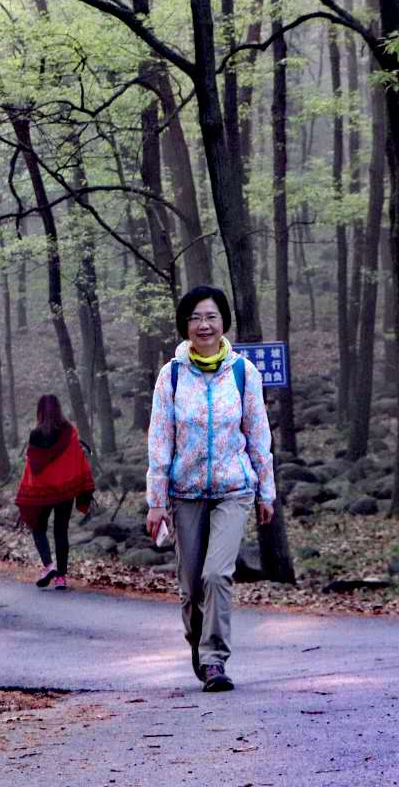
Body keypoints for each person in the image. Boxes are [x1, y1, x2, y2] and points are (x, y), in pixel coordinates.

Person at [146, 285, 275, 692]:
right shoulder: (171, 376)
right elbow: (160, 441)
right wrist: (156, 501)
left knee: (216, 575)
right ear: (185, 326)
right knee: (190, 588)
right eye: (196, 318)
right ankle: (199, 649)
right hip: (184, 494)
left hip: (233, 489)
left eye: (212, 317)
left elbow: (258, 434)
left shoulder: (242, 373)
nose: (204, 325)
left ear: (223, 323)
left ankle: (215, 659)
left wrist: (266, 491)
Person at [14, 395, 95, 590]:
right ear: (59, 409)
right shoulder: (69, 431)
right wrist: (81, 485)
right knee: (61, 531)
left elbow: (32, 468)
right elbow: (77, 460)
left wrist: (26, 492)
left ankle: (49, 566)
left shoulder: (35, 435)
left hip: (42, 494)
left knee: (38, 528)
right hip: (64, 493)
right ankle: (61, 578)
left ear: (39, 411)